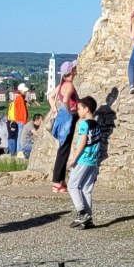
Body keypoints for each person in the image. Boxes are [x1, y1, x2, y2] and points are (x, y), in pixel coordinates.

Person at [66, 95, 103, 229]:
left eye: (80, 109)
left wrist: (74, 159)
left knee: (72, 186)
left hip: (83, 159)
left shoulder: (84, 124)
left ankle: (82, 213)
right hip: (93, 161)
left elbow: (82, 142)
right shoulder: (96, 124)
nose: (78, 111)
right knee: (86, 189)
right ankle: (89, 219)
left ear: (86, 109)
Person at [48, 61, 80, 194]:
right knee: (64, 150)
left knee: (62, 149)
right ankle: (57, 182)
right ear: (71, 71)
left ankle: (60, 181)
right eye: (75, 67)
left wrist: (55, 109)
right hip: (68, 118)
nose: (77, 68)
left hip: (61, 117)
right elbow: (66, 100)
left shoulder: (61, 84)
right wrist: (70, 111)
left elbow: (51, 96)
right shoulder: (70, 85)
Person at [7, 84, 29, 156]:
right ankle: (19, 151)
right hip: (21, 120)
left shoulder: (19, 98)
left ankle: (18, 151)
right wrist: (24, 121)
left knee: (19, 135)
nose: (25, 92)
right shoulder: (20, 98)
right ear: (20, 90)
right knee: (20, 136)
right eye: (24, 91)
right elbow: (22, 111)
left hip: (19, 120)